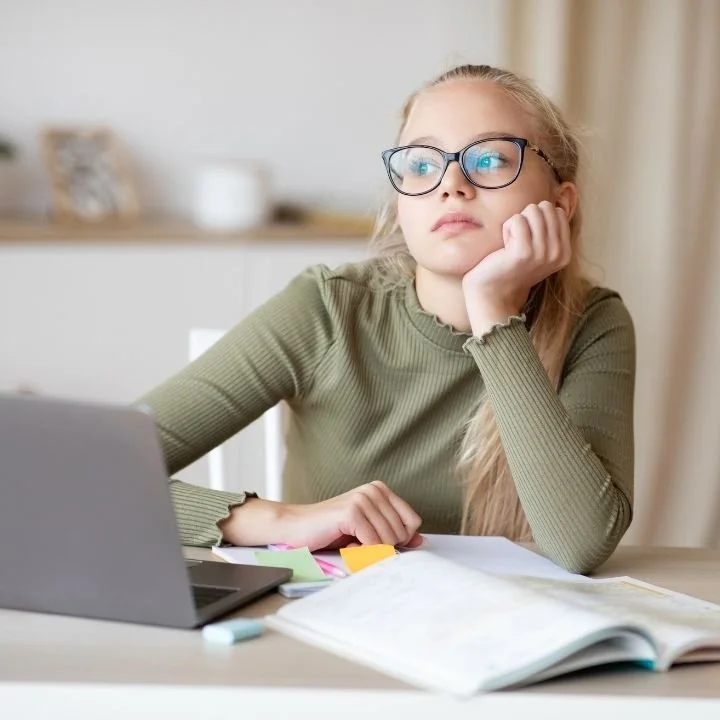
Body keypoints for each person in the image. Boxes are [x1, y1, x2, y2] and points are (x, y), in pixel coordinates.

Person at [138, 64, 635, 574]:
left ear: (560, 202)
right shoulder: (327, 309)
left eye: (490, 159)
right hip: (332, 624)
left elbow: (580, 543)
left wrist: (494, 313)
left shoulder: (593, 323)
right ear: (401, 205)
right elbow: (84, 472)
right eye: (421, 166)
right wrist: (282, 521)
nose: (452, 184)